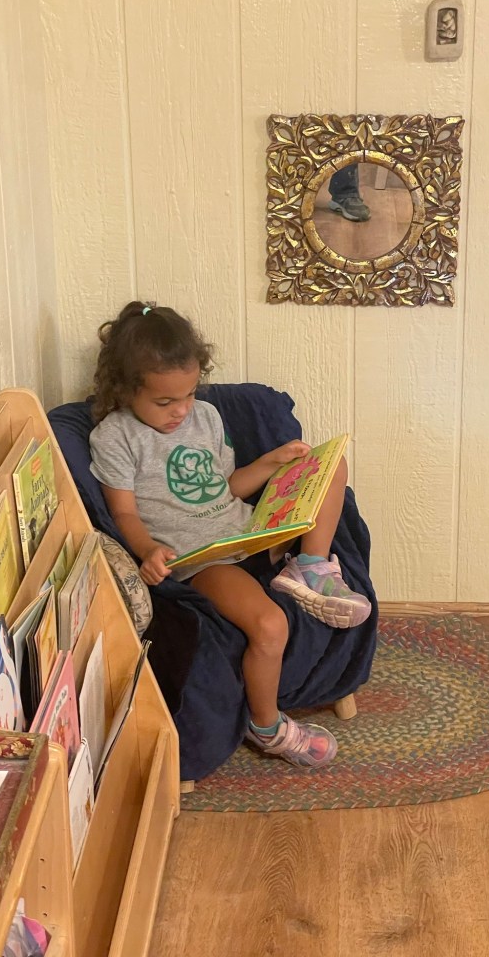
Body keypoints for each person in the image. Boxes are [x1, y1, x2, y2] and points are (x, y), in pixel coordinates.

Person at [88, 301, 372, 770]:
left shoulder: (206, 416)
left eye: (188, 395)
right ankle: (267, 726)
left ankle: (311, 567)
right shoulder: (115, 437)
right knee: (270, 625)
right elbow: (123, 513)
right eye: (164, 402)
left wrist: (272, 464)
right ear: (125, 388)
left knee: (330, 466)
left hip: (248, 531)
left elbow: (225, 488)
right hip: (205, 559)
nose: (181, 410)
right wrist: (147, 549)